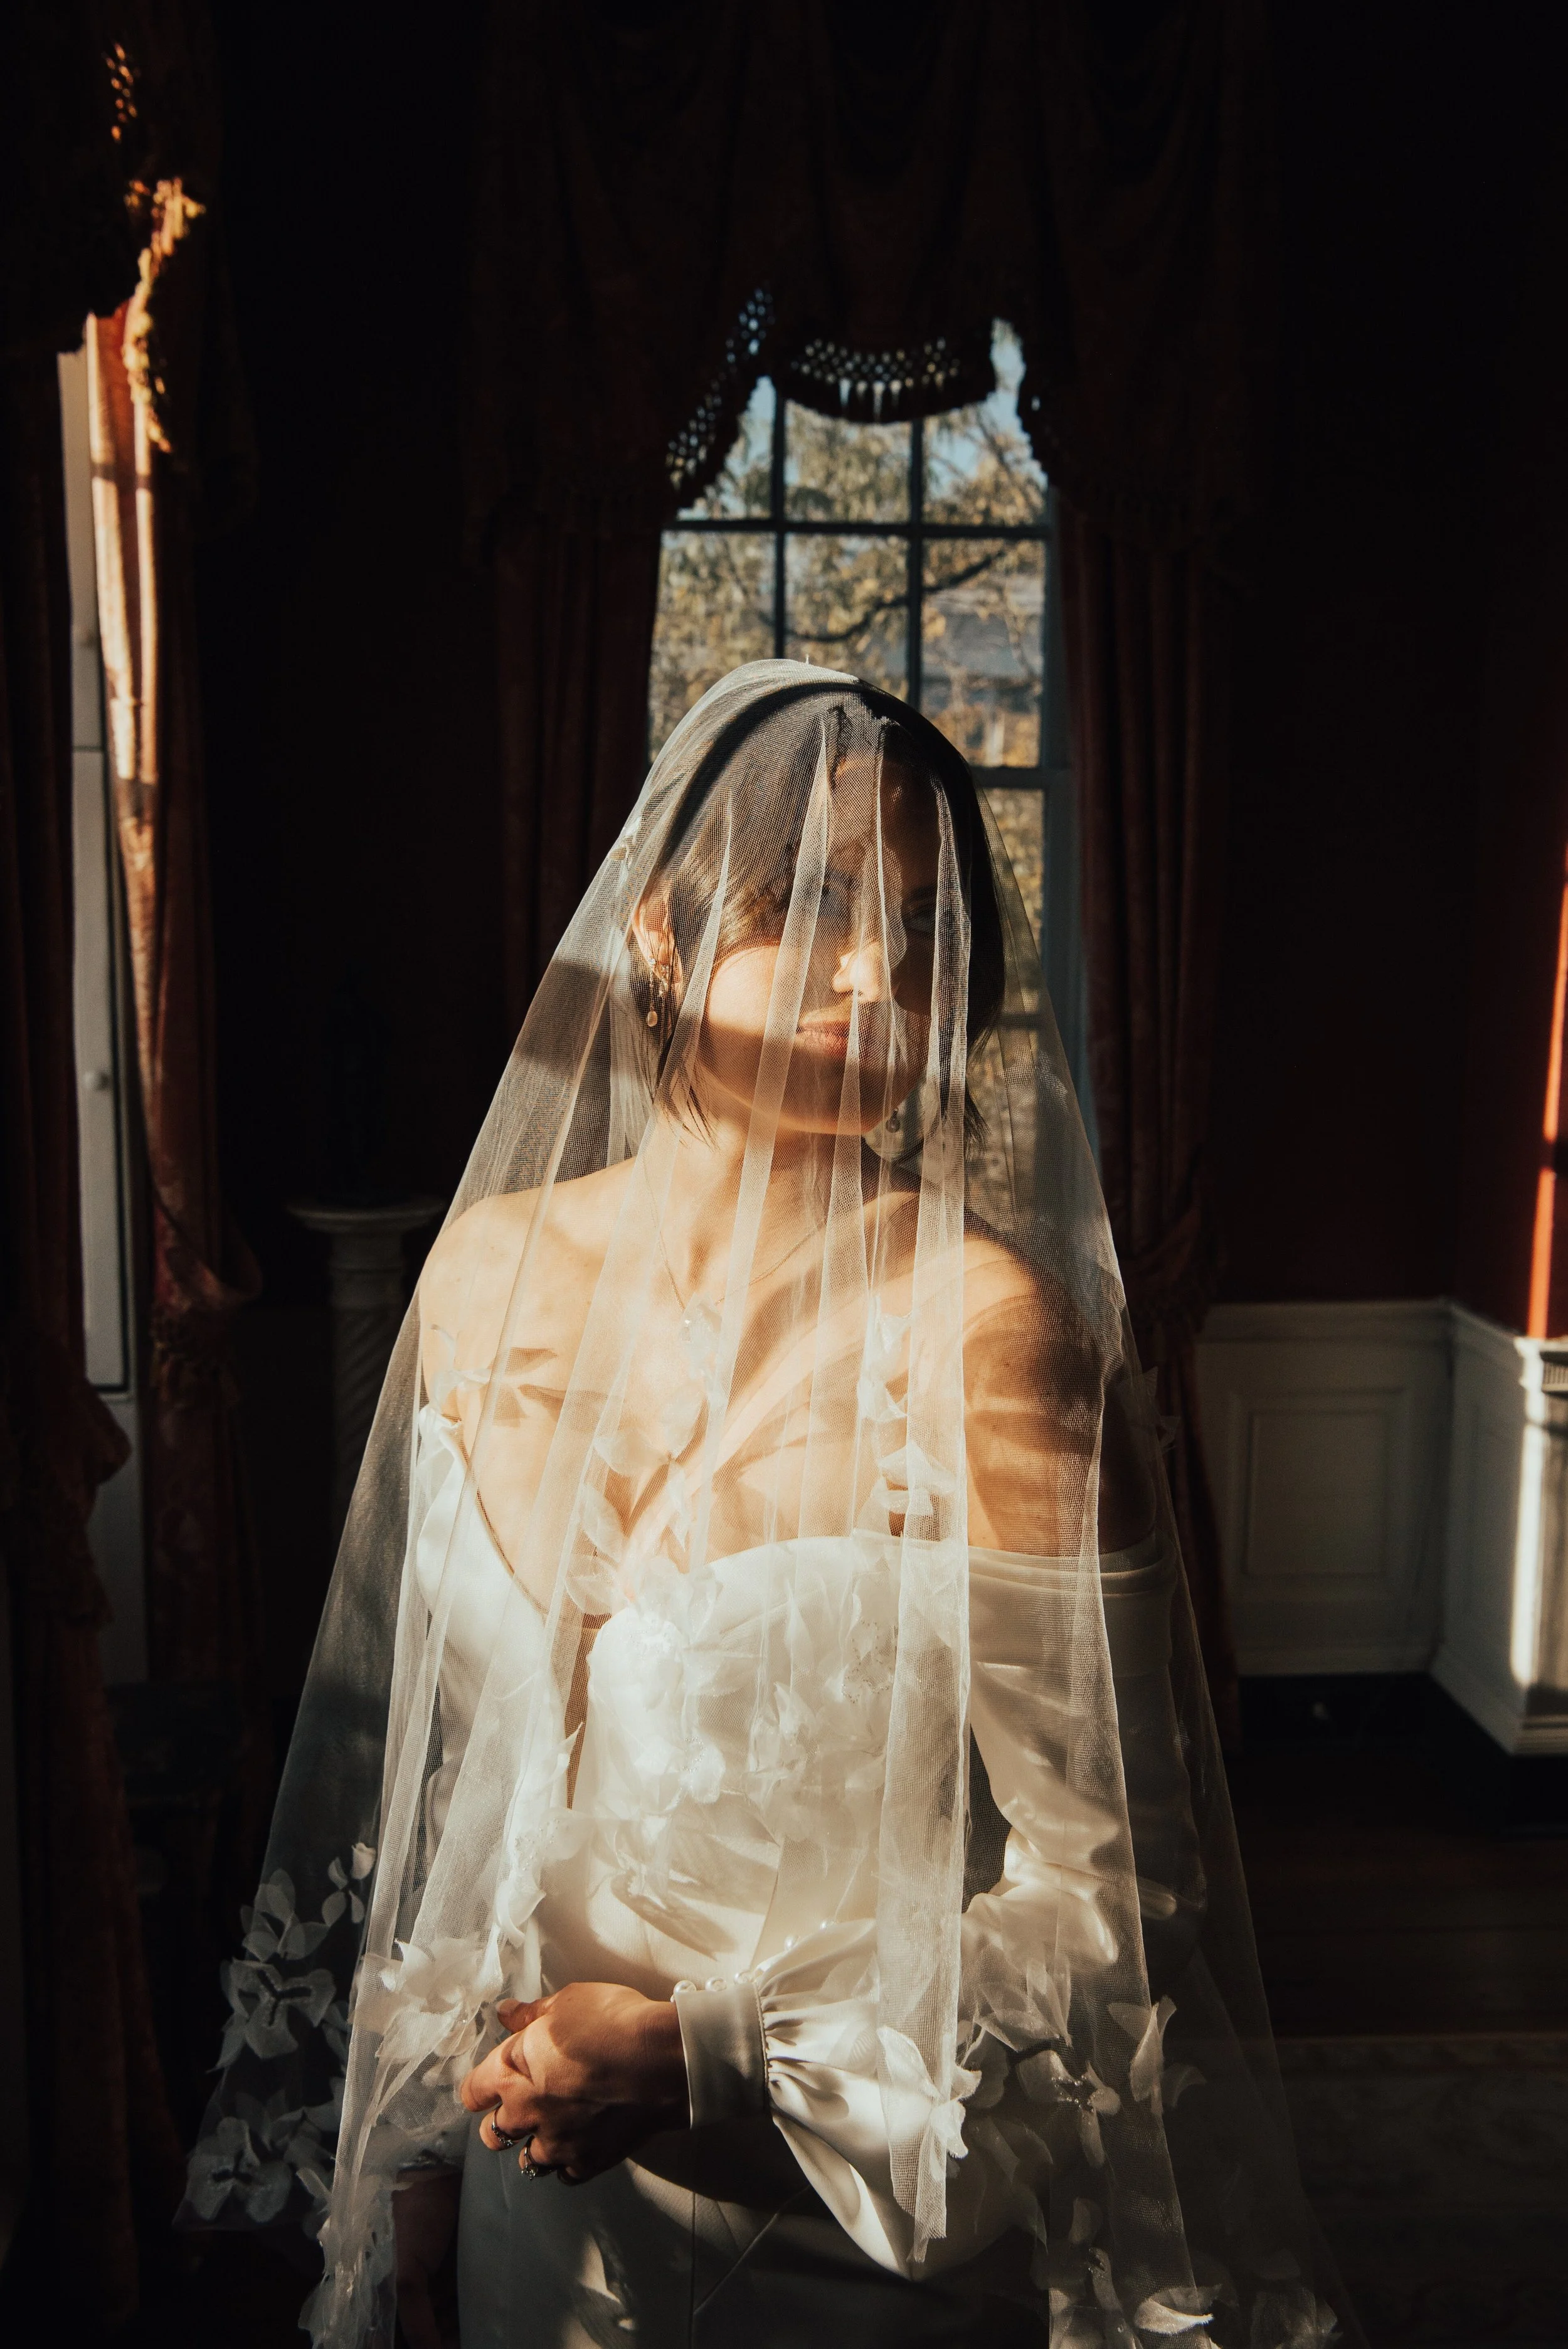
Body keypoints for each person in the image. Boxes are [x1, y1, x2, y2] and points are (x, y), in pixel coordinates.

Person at [183, 664, 1347, 2349]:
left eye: (921, 933)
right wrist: (414, 2193)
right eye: (809, 912)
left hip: (846, 2234)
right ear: (658, 935)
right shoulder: (485, 1282)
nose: (871, 979)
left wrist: (700, 2050)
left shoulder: (998, 1341)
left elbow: (1124, 1914)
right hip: (525, 2224)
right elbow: (435, 1802)